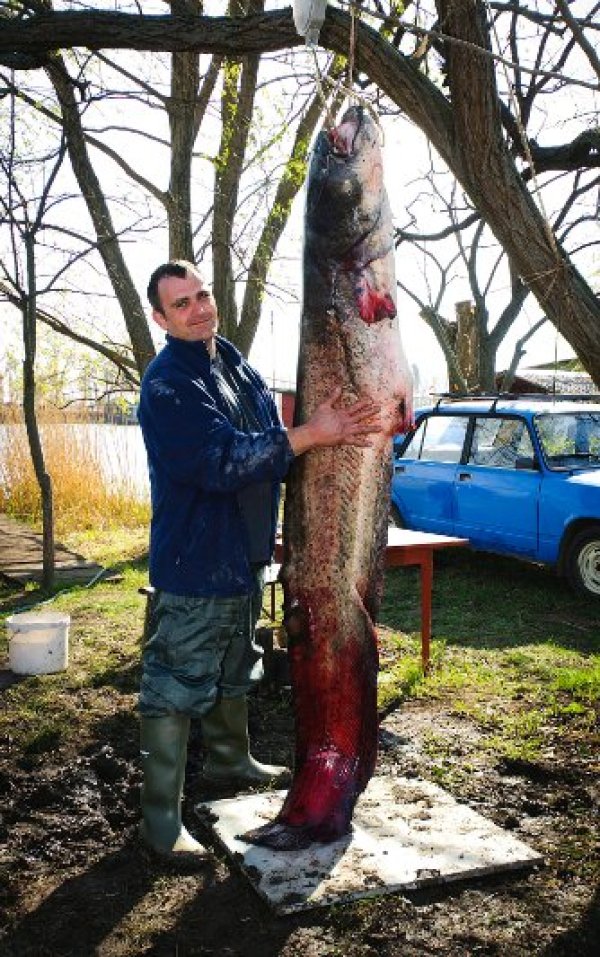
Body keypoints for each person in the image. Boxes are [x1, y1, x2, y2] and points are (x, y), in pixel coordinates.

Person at [137, 259, 382, 860]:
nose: (199, 308)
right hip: (194, 566)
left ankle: (231, 759)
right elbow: (218, 461)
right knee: (174, 684)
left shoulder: (233, 364)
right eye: (181, 303)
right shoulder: (169, 383)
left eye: (202, 294)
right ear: (159, 317)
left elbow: (270, 436)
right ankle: (160, 823)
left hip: (245, 557)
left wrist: (331, 422)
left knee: (235, 665)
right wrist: (308, 436)